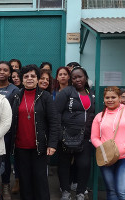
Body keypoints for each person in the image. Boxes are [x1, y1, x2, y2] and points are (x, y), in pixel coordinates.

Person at [8, 65, 60, 200]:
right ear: (21, 79)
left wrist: (52, 144)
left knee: (40, 180)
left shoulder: (46, 96)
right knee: (25, 181)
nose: (29, 79)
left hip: (40, 148)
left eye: (33, 76)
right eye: (26, 76)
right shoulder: (16, 96)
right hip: (20, 148)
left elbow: (54, 122)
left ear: (37, 79)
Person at [91, 86, 125, 200]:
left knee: (122, 192)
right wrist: (106, 151)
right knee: (112, 191)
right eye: (107, 97)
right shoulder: (99, 116)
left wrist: (123, 149)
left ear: (119, 98)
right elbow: (94, 137)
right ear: (103, 99)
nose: (110, 100)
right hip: (106, 159)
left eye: (113, 97)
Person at [55, 67, 95, 200]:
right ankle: (65, 191)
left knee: (84, 165)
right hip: (66, 136)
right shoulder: (66, 92)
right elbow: (56, 113)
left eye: (80, 77)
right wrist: (60, 134)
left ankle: (80, 192)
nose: (78, 79)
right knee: (64, 164)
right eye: (74, 77)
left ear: (85, 77)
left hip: (84, 136)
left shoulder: (91, 93)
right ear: (71, 80)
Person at [0, 61, 19, 198]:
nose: (2, 72)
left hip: (6, 132)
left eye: (5, 70)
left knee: (5, 159)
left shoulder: (14, 90)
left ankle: (5, 186)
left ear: (10, 73)